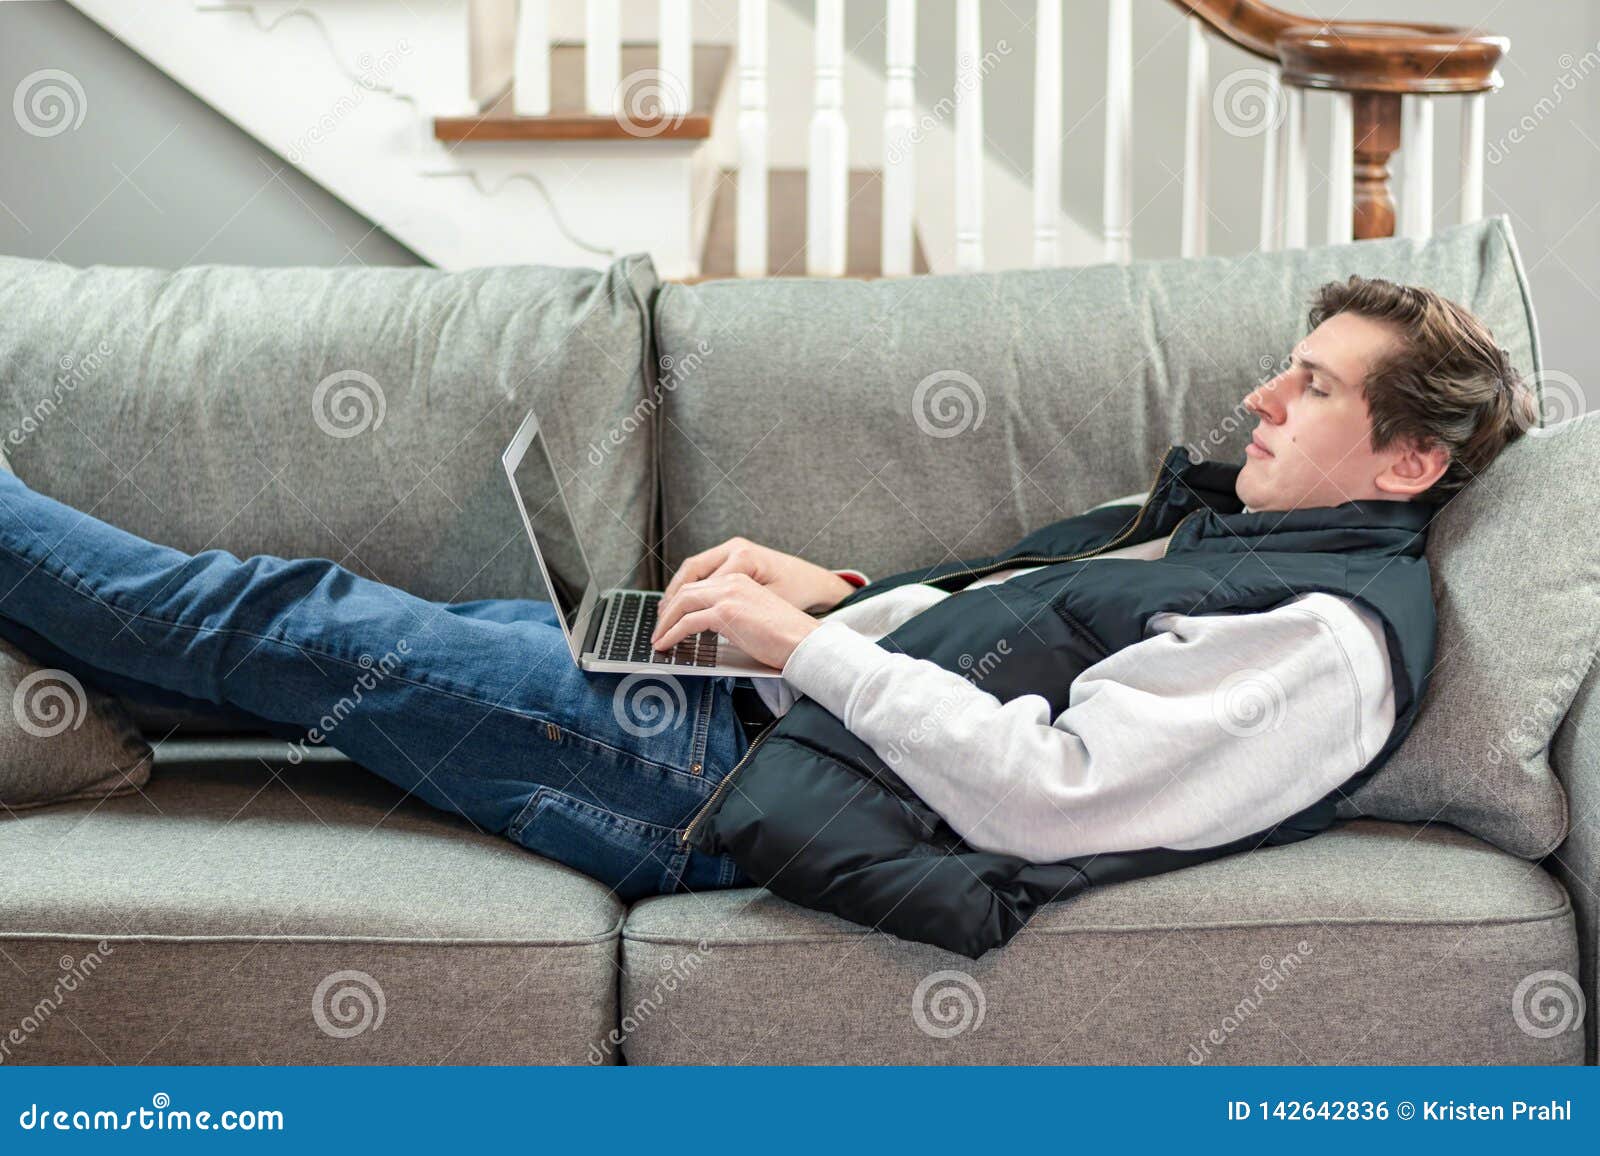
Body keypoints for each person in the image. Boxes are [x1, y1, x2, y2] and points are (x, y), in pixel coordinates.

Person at [0, 275, 1536, 905]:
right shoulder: (1261, 540)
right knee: (290, 632)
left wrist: (805, 645)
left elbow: (1052, 791)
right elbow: (1030, 649)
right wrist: (849, 593)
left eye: (1315, 387)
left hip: (710, 784)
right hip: (763, 718)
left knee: (294, 626)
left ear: (1407, 465)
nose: (1264, 396)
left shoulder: (1319, 647)